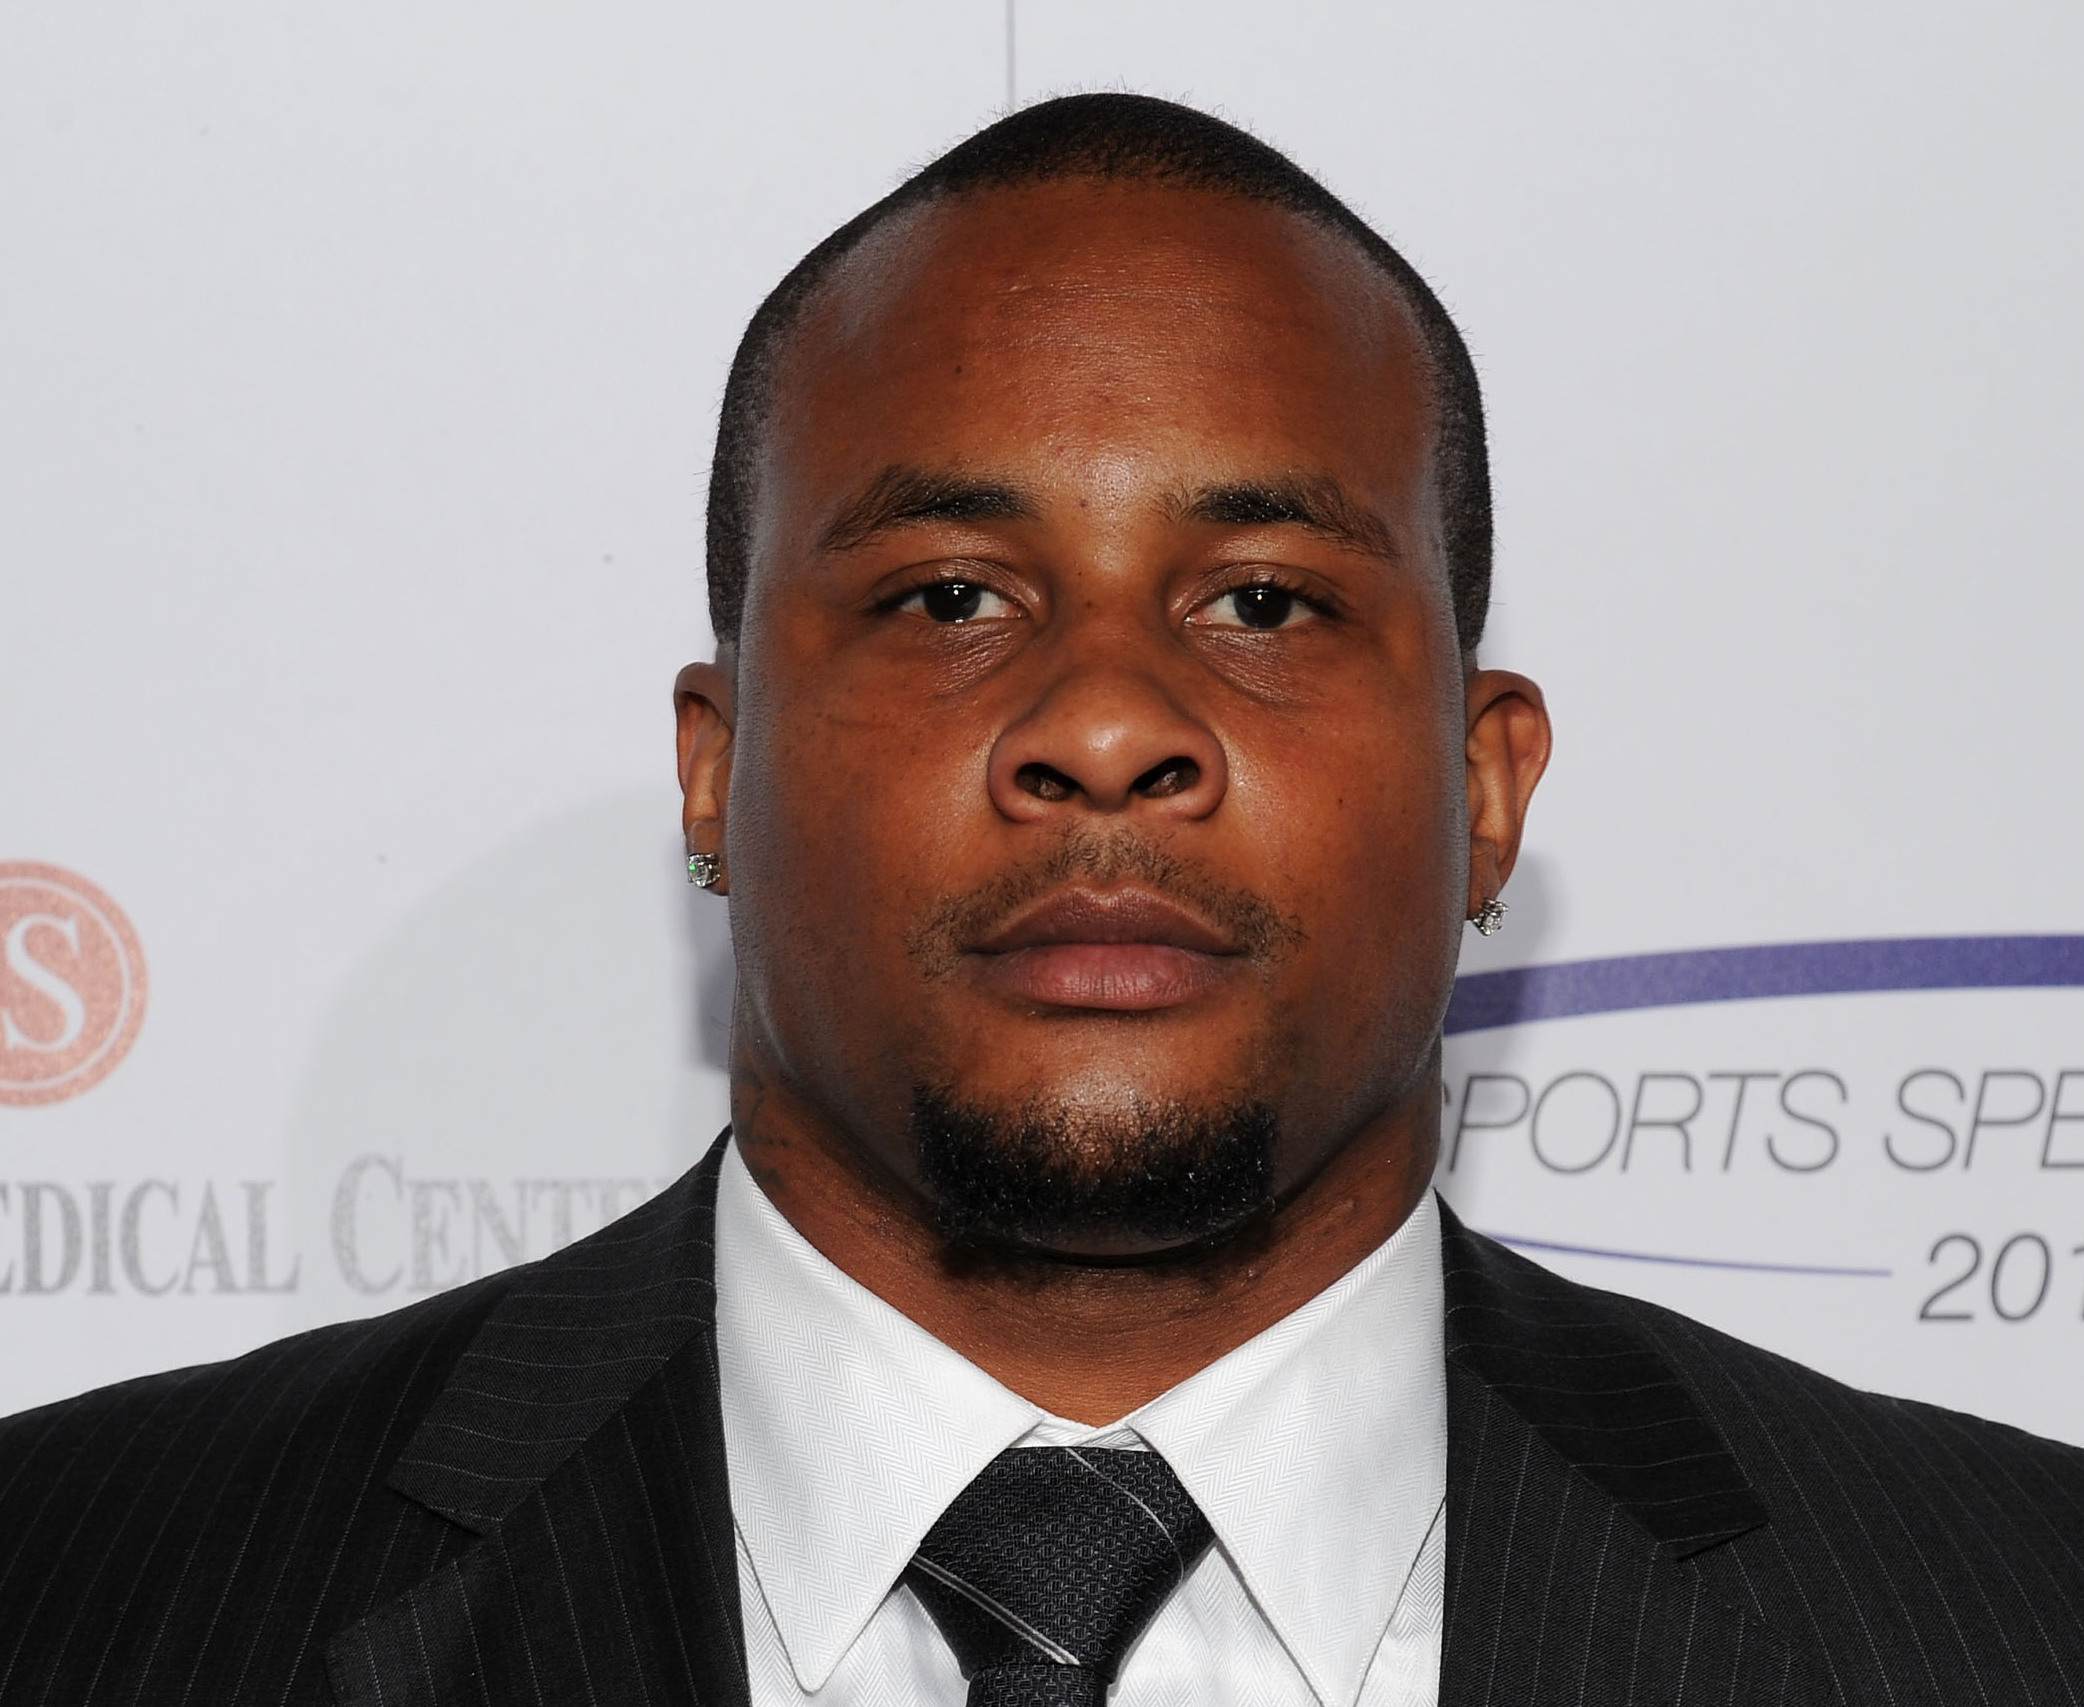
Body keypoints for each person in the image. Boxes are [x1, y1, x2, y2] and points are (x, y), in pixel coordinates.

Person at [1, 93, 2080, 1707]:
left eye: (1261, 599)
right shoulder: (81, 1590)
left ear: (1482, 783)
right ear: (713, 769)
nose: (1103, 722)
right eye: (948, 598)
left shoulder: (2008, 1615)